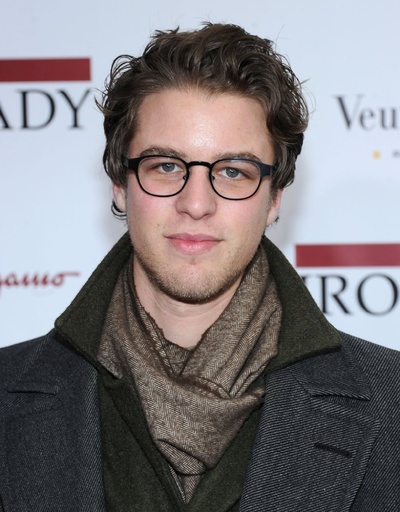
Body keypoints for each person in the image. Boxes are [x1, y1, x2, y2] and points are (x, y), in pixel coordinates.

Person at [0, 23, 399, 512]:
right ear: (120, 184)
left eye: (232, 171)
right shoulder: (7, 392)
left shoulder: (391, 402)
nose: (195, 203)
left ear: (274, 198)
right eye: (166, 165)